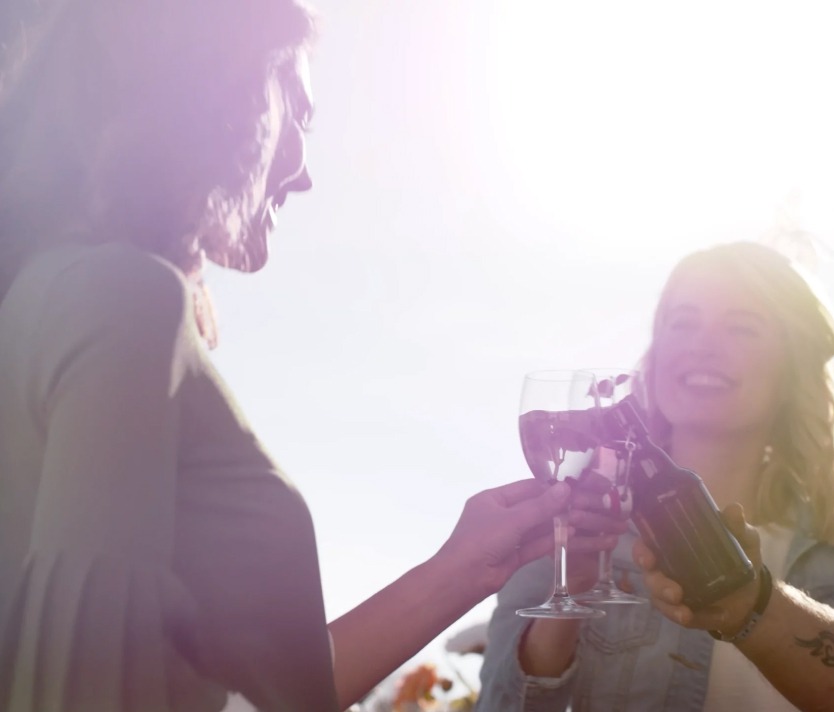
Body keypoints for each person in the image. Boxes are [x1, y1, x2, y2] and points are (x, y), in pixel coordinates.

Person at [0, 2, 623, 711]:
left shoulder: (53, 296)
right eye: (297, 111)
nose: (302, 175)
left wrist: (463, 568)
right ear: (221, 84)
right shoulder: (129, 299)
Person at [476, 241, 834, 711]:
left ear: (793, 364)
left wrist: (758, 605)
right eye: (683, 323)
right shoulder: (574, 525)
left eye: (742, 327)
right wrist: (574, 591)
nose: (702, 345)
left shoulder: (826, 541)